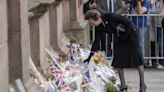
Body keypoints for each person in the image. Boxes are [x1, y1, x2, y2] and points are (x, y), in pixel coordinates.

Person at [84, 10, 146, 92]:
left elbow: (128, 23)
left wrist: (125, 36)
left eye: (89, 21)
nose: (89, 23)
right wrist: (89, 57)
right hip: (120, 37)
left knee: (137, 59)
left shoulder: (110, 16)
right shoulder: (99, 27)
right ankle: (123, 84)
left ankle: (142, 85)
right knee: (118, 60)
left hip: (131, 34)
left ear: (93, 18)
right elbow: (96, 42)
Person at [156, 0, 164, 69]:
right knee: (160, 44)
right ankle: (162, 62)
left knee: (161, 44)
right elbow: (157, 12)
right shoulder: (159, 2)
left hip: (161, 25)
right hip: (159, 25)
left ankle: (162, 63)